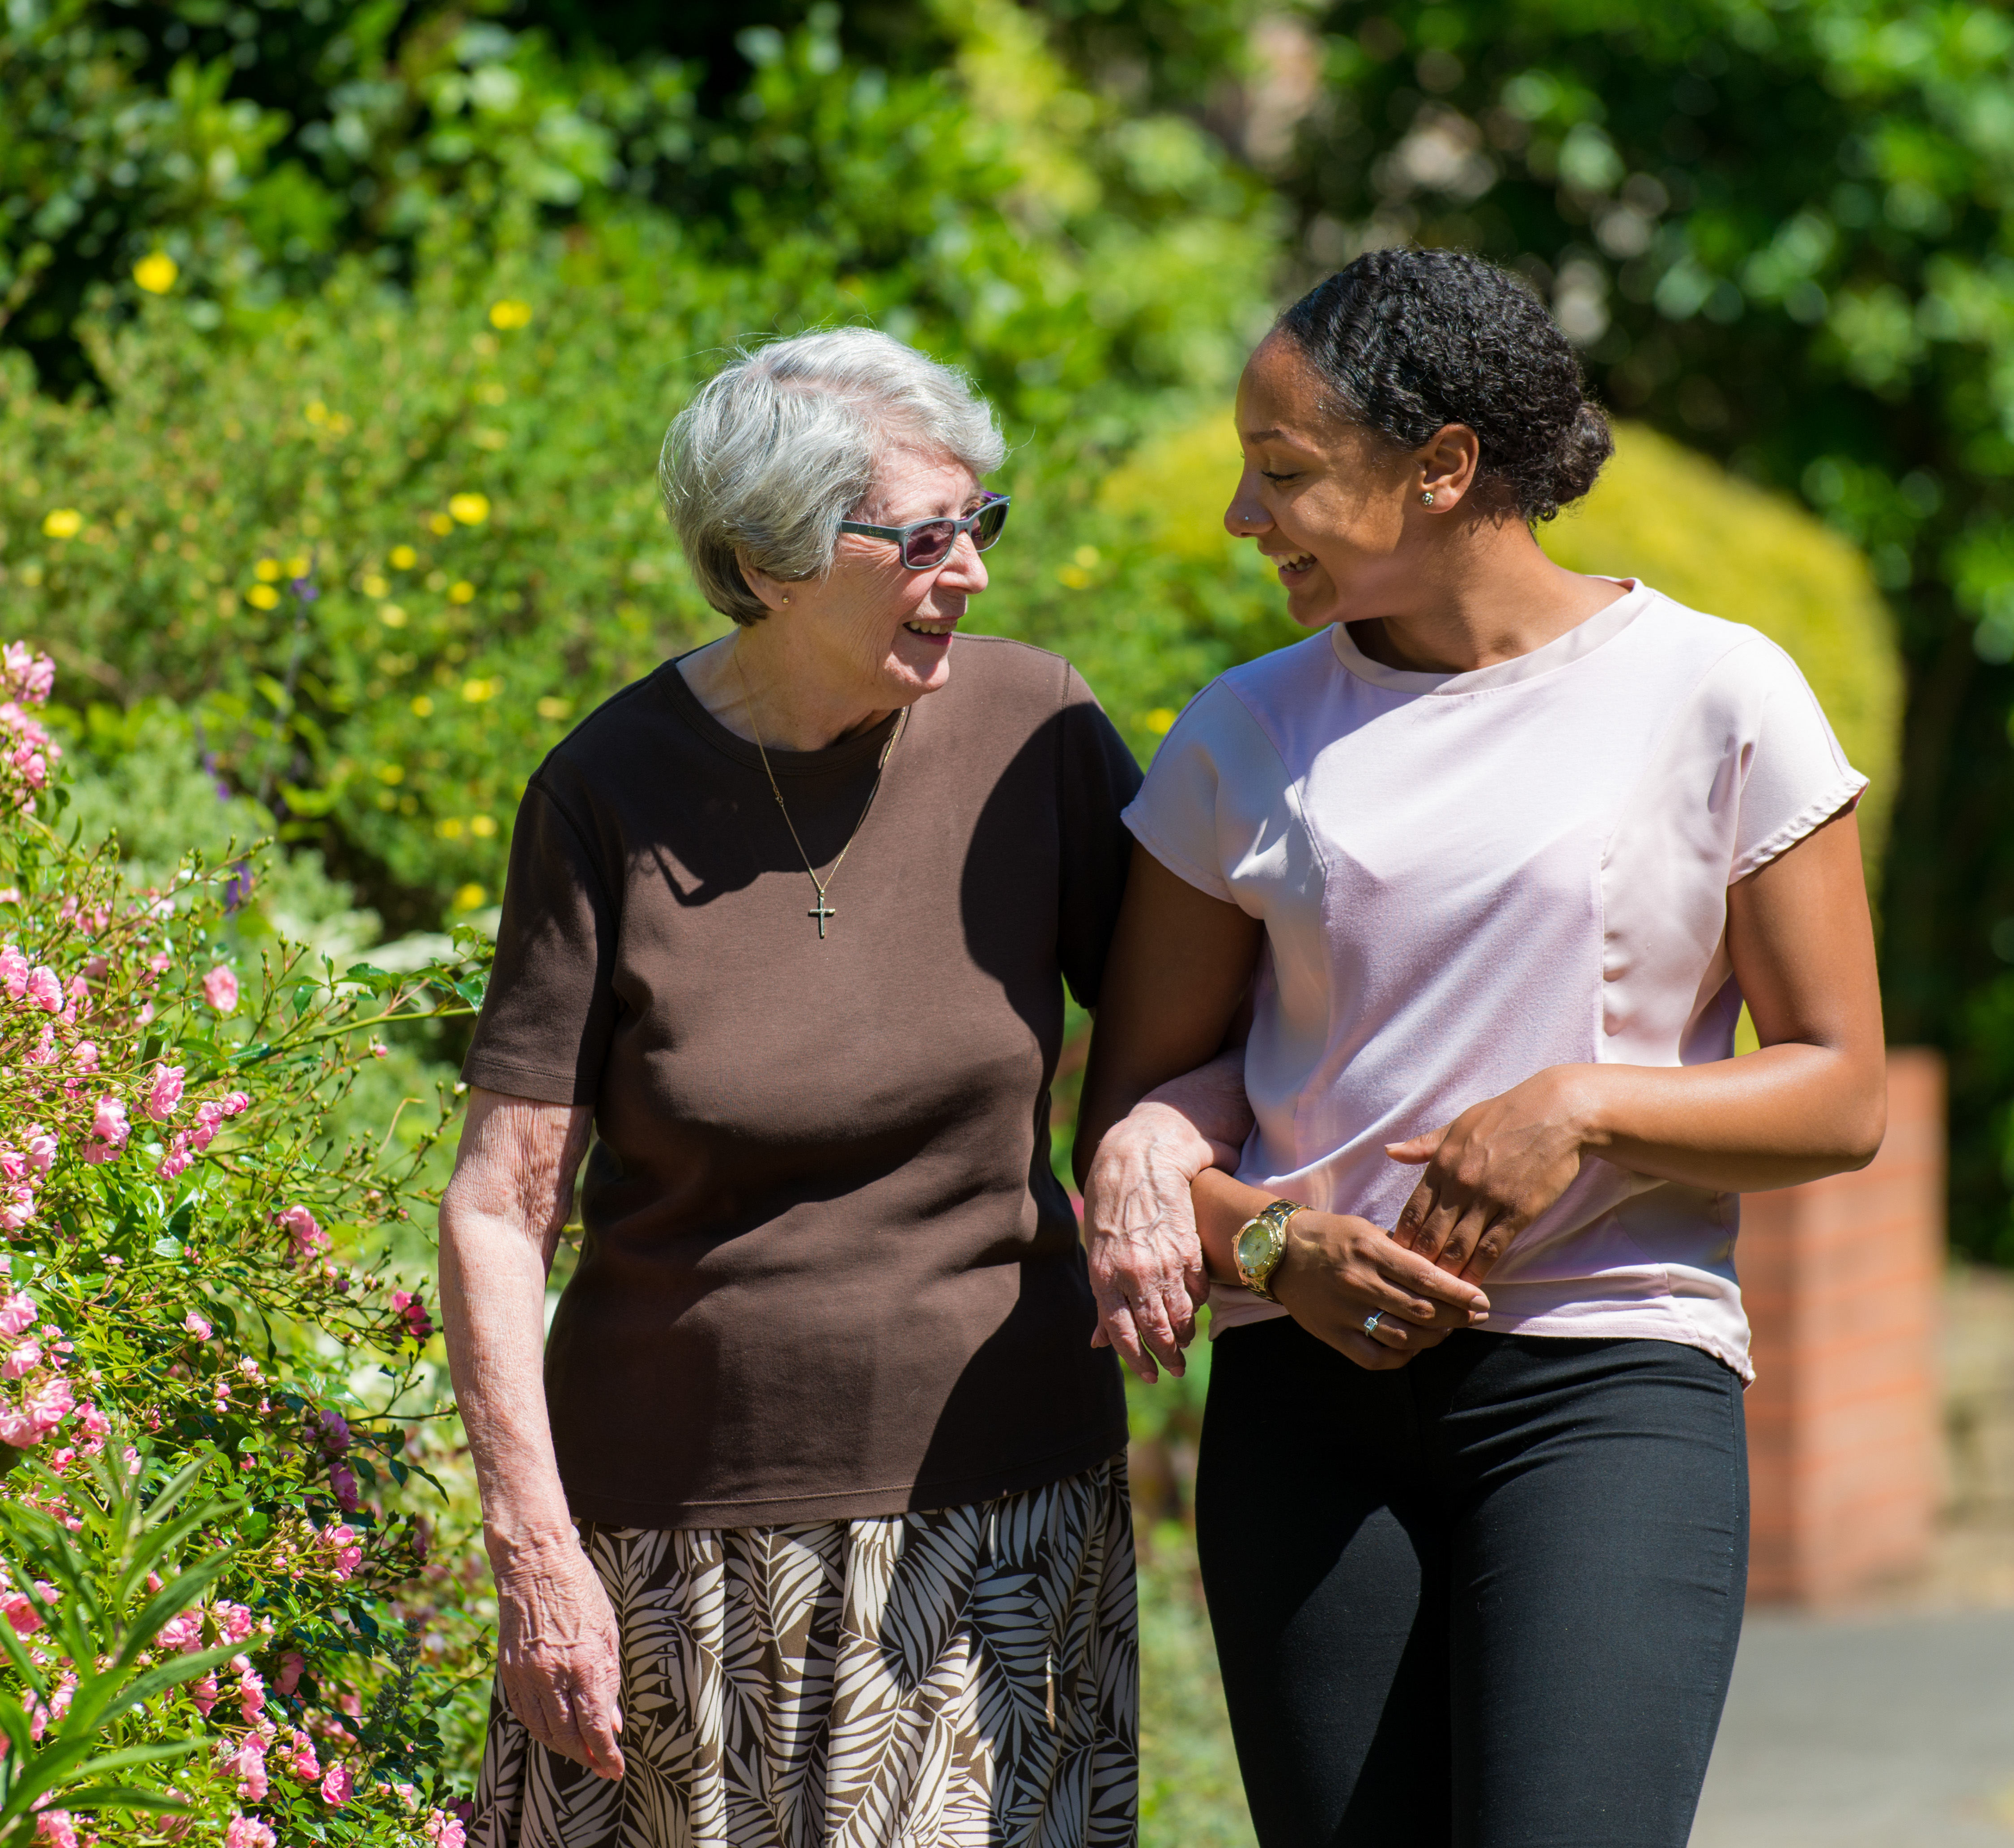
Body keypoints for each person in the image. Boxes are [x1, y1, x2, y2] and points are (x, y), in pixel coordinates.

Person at [1075, 247, 1888, 1848]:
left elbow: (1843, 1091)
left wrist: (1584, 1107)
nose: (1245, 518)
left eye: (1284, 471)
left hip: (1609, 1383)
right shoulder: (1243, 730)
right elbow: (1139, 1111)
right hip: (1304, 1409)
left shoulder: (1715, 691)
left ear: (1445, 466)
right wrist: (1282, 1245)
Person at [441, 326, 1173, 1848]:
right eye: (919, 536)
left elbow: (1198, 1022)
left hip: (996, 1523)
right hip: (670, 1547)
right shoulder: (608, 791)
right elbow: (502, 1209)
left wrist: (1154, 1140)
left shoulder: (1035, 730)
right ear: (770, 562)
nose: (966, 569)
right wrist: (534, 1546)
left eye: (980, 523)